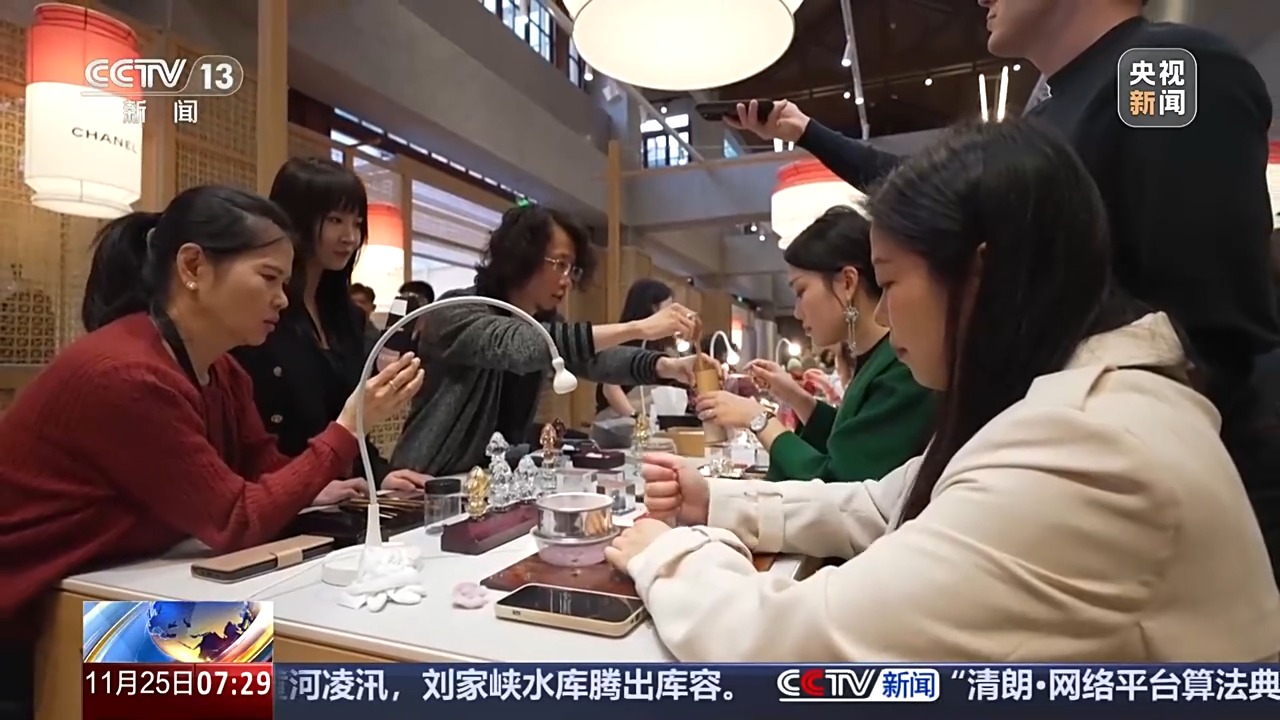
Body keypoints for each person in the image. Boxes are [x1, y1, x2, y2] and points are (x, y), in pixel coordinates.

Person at [604, 121, 1280, 662]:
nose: (884, 311)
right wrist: (718, 500)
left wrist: (669, 555)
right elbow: (880, 503)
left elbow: (798, 643)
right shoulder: (1063, 401)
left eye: (893, 281)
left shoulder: (1090, 447)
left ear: (978, 276)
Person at [727, 0, 1280, 576]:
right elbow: (931, 201)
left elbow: (1217, 318)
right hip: (1065, 458)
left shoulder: (1160, 68)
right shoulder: (1050, 115)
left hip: (1152, 491)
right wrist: (807, 132)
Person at [0, 186, 423, 714]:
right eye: (269, 278)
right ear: (193, 266)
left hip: (110, 582)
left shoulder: (221, 369)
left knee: (330, 649)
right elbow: (236, 519)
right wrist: (347, 428)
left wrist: (318, 483)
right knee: (299, 670)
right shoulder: (127, 375)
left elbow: (261, 469)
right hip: (32, 614)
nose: (283, 300)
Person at [391, 203, 700, 475]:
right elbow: (518, 346)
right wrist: (638, 328)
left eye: (572, 269)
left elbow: (596, 359)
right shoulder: (457, 310)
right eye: (560, 265)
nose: (567, 281)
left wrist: (666, 366)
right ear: (522, 257)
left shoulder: (542, 323)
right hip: (423, 483)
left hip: (490, 481)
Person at [695, 207, 935, 482]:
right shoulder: (877, 358)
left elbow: (839, 482)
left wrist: (758, 418)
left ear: (847, 282)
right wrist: (797, 397)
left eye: (801, 291)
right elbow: (853, 442)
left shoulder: (904, 365)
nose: (797, 313)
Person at [232, 158, 428, 492]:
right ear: (295, 219)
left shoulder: (347, 316)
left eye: (357, 223)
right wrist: (301, 489)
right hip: (276, 496)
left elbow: (344, 420)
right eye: (335, 220)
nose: (350, 237)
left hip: (337, 493)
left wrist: (379, 474)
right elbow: (249, 438)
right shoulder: (262, 312)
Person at [591, 279, 675, 448]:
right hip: (617, 429)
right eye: (669, 307)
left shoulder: (662, 346)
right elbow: (610, 388)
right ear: (653, 308)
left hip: (646, 427)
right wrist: (635, 417)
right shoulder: (621, 342)